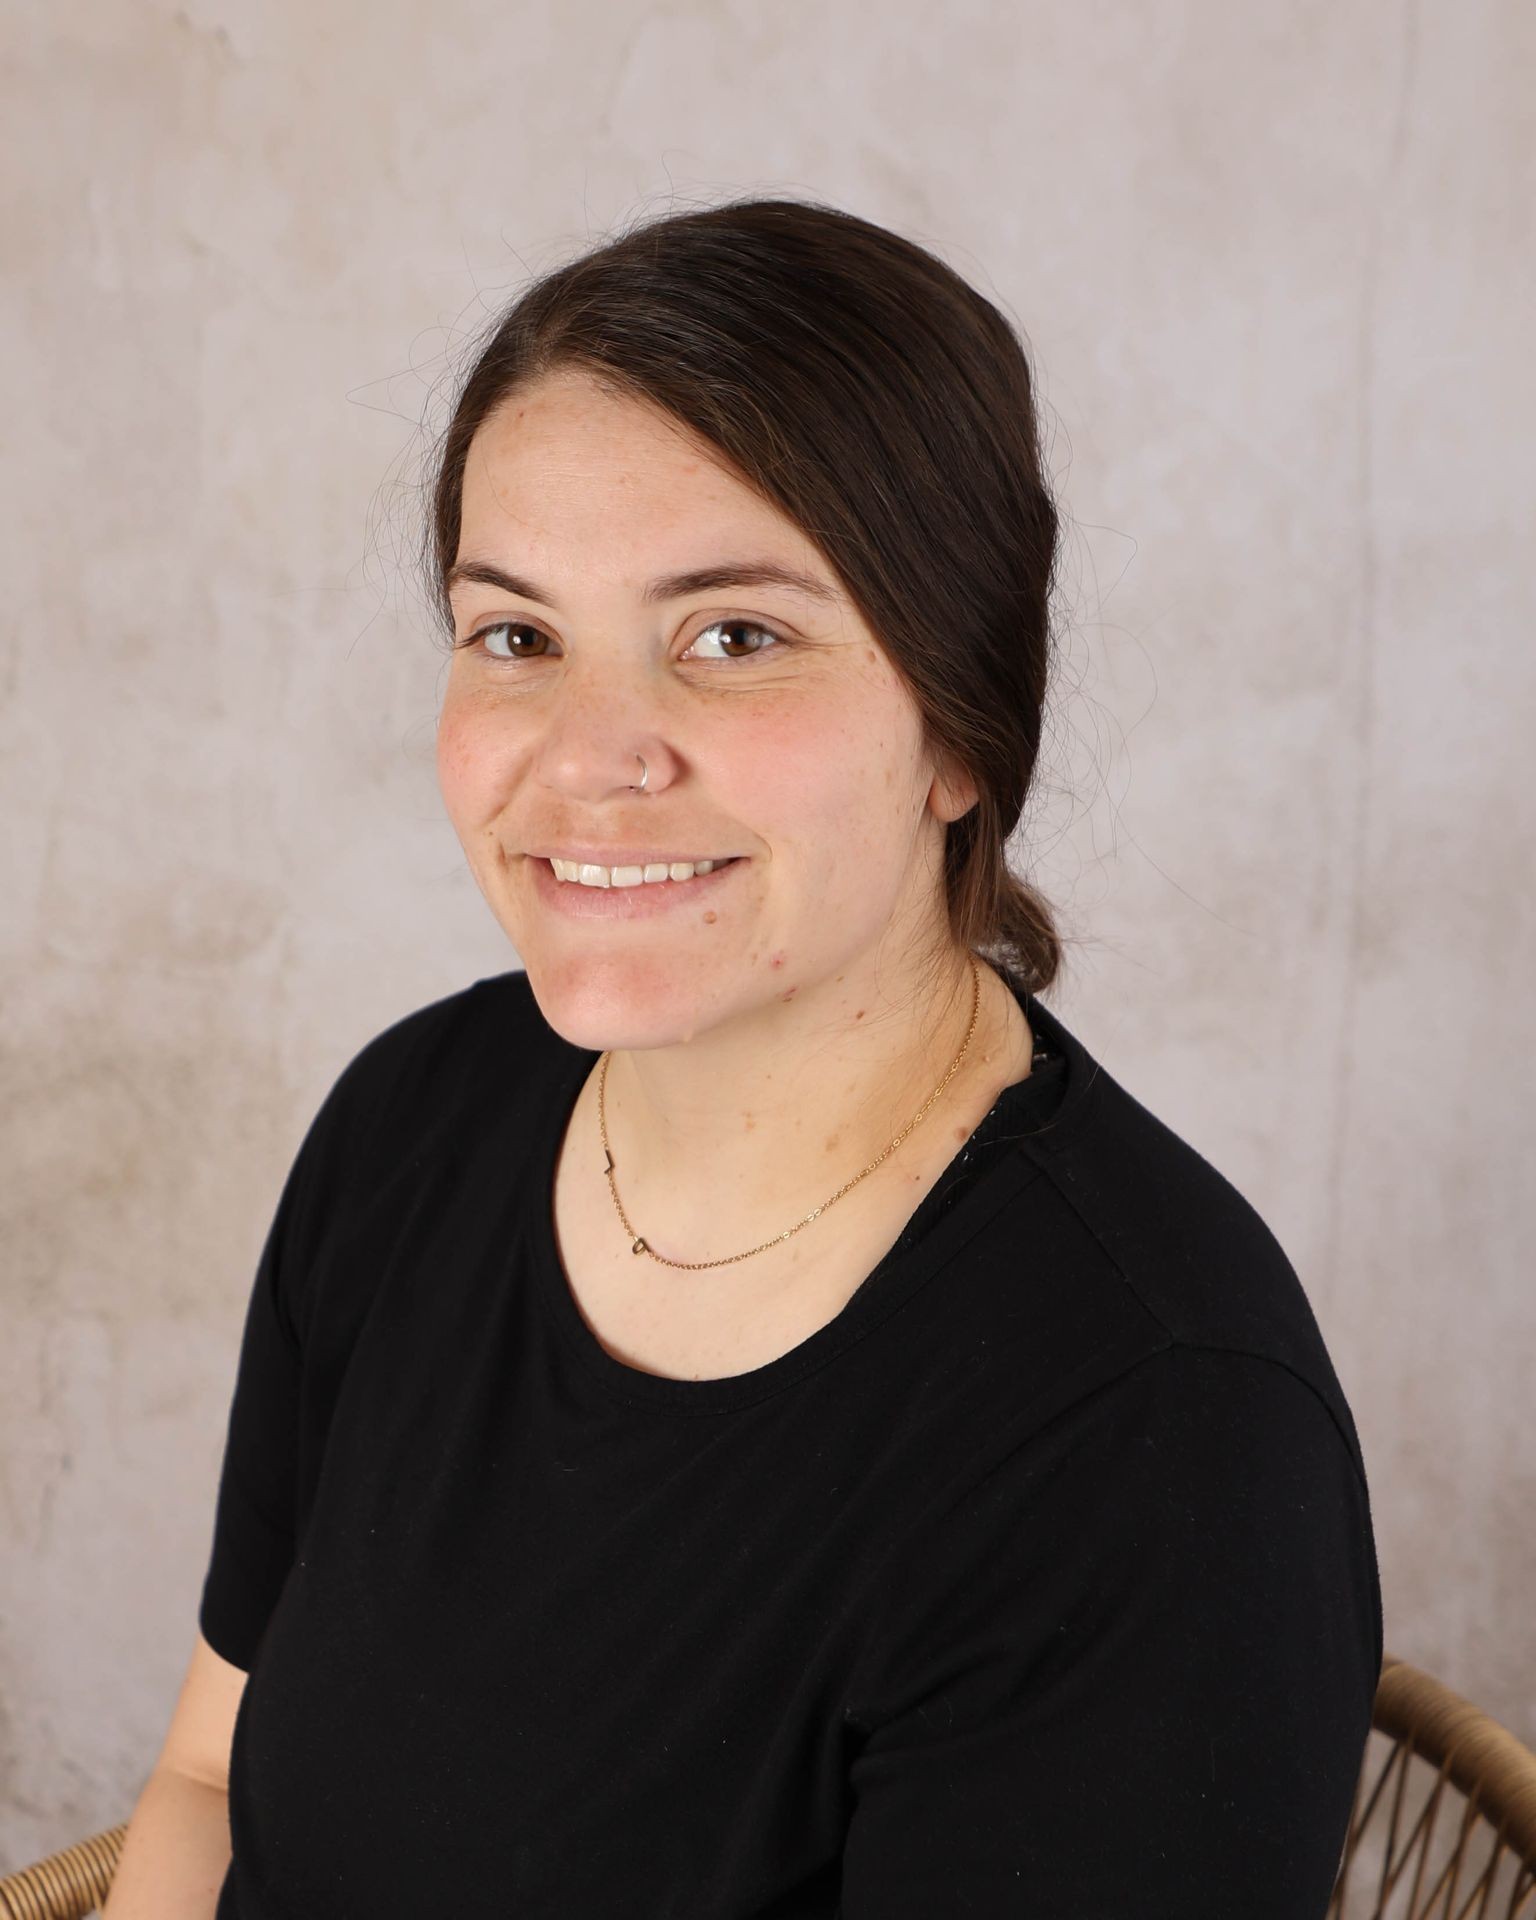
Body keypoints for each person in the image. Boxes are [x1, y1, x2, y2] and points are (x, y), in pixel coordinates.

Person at [109, 196, 1382, 1918]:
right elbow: (205, 1778)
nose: (587, 756)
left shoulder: (1157, 1438)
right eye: (518, 635)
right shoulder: (418, 1118)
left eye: (733, 637)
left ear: (957, 729)